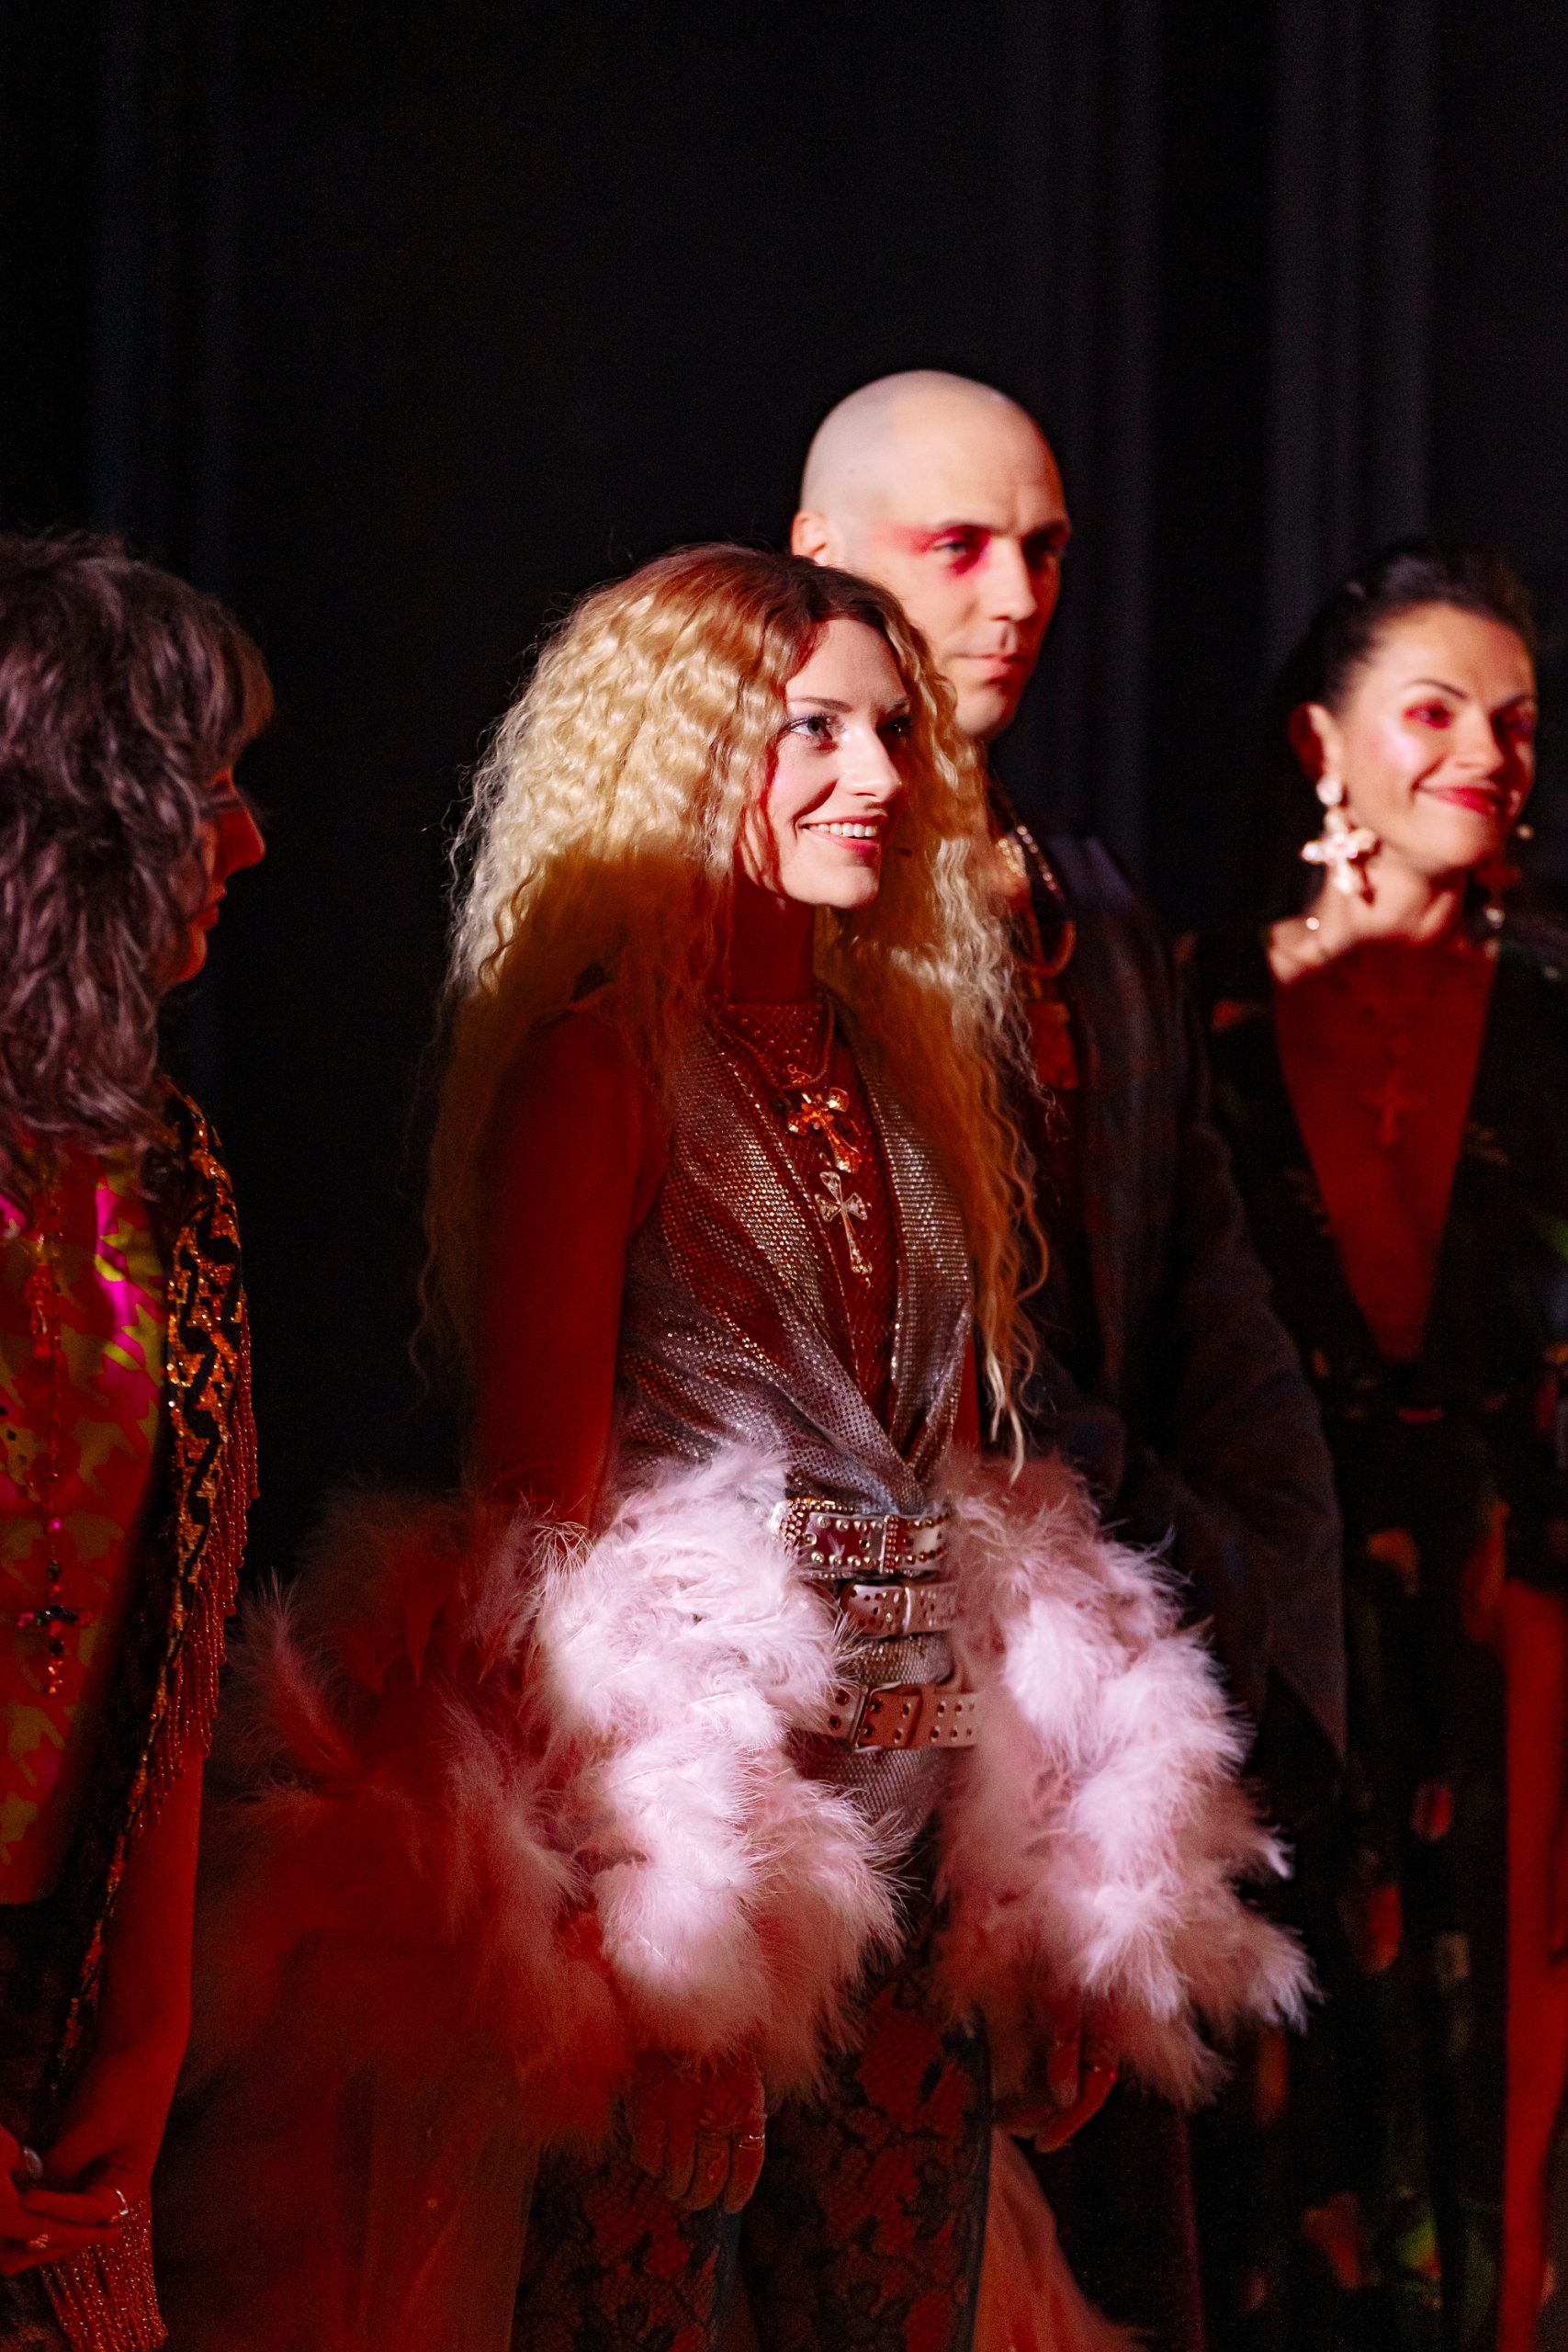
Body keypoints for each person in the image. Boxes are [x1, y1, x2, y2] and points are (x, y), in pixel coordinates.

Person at [159, 546, 1305, 2352]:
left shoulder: (905, 1075)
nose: (877, 774)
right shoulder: (598, 1075)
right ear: (687, 749)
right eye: (813, 731)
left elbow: (957, 1511)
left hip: (909, 1850)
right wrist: (654, 1951)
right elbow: (537, 1544)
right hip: (690, 1857)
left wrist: (1034, 1904)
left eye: (893, 731)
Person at [793, 369, 1346, 2349]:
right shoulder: (763, 906)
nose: (1016, 594)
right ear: (822, 556)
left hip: (1109, 1650)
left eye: (1041, 547)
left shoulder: (1086, 907)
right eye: (958, 546)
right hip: (854, 1672)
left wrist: (1223, 1572)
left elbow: (1206, 1284)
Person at [1187, 540, 1566, 2351]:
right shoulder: (1190, 1009)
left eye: (1516, 723)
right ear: (1318, 742)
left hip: (1518, 1650)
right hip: (1264, 1637)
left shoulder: (1557, 1016)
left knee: (1509, 2140)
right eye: (1435, 711)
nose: (1485, 753)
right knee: (1268, 2140)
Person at [0, 534, 268, 2350]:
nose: (246, 844)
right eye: (207, 788)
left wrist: (145, 2033)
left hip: (56, 1979)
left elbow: (173, 1647)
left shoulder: (163, 1167)